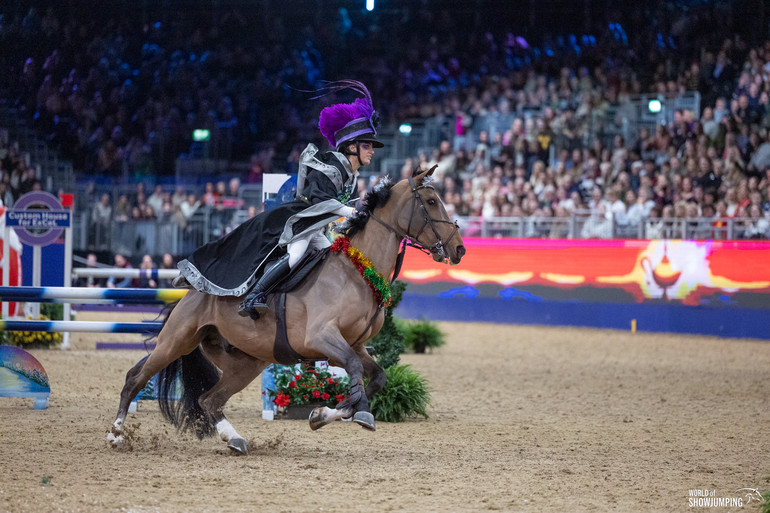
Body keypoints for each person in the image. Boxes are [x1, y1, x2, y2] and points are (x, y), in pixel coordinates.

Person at [175, 81, 383, 319]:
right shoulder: (330, 166)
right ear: (350, 147)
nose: (372, 151)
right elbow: (320, 202)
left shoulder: (351, 176)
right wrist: (351, 212)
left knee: (333, 260)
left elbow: (335, 213)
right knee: (295, 256)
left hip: (316, 228)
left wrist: (351, 220)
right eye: (367, 145)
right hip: (298, 222)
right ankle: (255, 296)